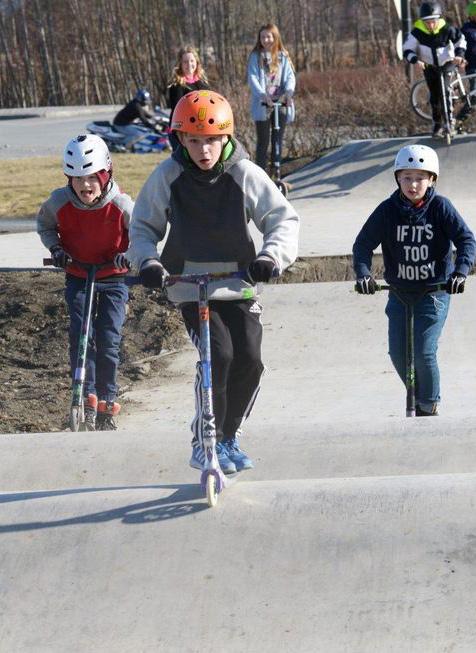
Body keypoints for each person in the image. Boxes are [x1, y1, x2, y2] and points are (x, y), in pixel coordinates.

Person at [128, 90, 299, 473]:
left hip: (239, 281)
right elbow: (141, 228)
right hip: (189, 284)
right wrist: (148, 261)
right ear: (180, 140)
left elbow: (282, 220)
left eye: (212, 140)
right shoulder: (167, 176)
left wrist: (270, 257)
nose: (204, 150)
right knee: (218, 356)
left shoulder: (245, 173)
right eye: (194, 141)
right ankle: (203, 437)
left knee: (250, 361)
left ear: (226, 138)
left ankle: (228, 436)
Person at [353, 144, 475, 416]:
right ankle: (420, 398)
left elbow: (466, 240)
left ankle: (428, 405)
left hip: (434, 293)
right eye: (406, 177)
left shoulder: (441, 208)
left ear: (432, 179)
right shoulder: (387, 210)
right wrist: (363, 274)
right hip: (398, 293)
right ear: (397, 178)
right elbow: (362, 245)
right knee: (398, 355)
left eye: (420, 177)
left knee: (423, 352)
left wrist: (461, 271)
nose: (413, 184)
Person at [37, 134, 133, 431]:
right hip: (79, 275)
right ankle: (86, 395)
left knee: (108, 339)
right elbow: (44, 226)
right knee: (81, 335)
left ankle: (107, 398)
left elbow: (143, 233)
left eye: (92, 178)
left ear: (105, 175)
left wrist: (129, 255)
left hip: (114, 279)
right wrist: (57, 250)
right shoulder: (59, 202)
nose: (85, 186)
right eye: (77, 179)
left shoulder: (121, 203)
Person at [403, 2, 466, 137]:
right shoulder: (417, 32)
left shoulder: (447, 29)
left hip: (447, 63)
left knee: (446, 90)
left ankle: (449, 123)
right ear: (422, 22)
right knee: (435, 96)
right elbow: (407, 49)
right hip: (429, 66)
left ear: (438, 19)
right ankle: (437, 124)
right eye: (427, 23)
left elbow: (460, 41)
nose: (431, 25)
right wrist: (415, 60)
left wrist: (459, 55)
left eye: (433, 22)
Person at [246, 23, 296, 171]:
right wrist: (262, 95)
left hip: (281, 102)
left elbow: (289, 76)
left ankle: (276, 172)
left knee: (278, 140)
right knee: (263, 141)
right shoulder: (255, 56)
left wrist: (288, 92)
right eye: (263, 37)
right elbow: (253, 78)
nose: (266, 40)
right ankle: (261, 174)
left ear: (275, 37)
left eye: (268, 36)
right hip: (263, 104)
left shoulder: (283, 55)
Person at [167, 46, 210, 149]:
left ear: (197, 62)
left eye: (192, 61)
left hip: (201, 130)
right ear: (180, 64)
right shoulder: (177, 85)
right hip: (181, 132)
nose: (189, 64)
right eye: (185, 62)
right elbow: (178, 110)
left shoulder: (203, 83)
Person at [457, 2, 476, 122]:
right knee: (474, 96)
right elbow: (459, 46)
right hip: (473, 66)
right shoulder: (466, 29)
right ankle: (459, 119)